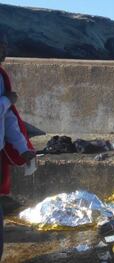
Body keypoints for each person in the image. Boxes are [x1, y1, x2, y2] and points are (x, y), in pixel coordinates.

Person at [0, 33, 36, 260]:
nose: (5, 48)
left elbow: (9, 119)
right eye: (0, 44)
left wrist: (22, 147)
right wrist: (6, 101)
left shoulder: (1, 76)